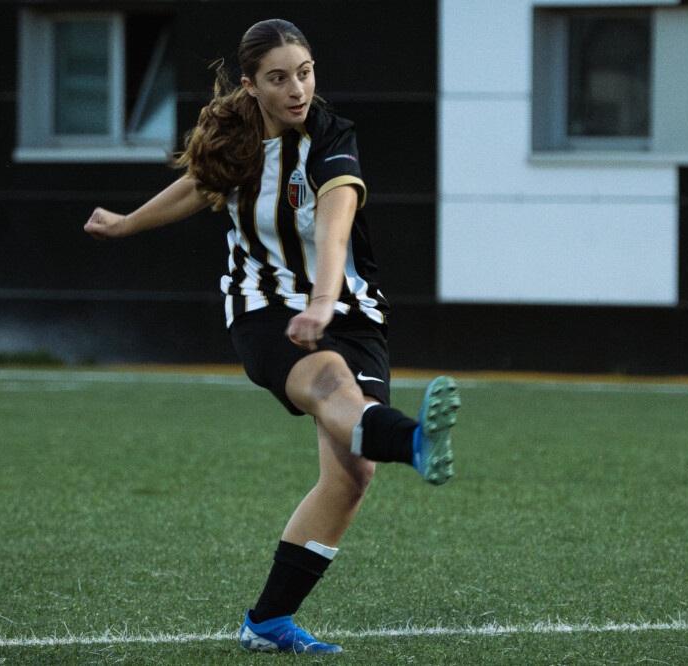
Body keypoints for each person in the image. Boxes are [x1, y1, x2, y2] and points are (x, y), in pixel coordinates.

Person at [83, 19, 461, 655]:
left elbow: (337, 222)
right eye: (279, 78)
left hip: (346, 308)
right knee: (330, 387)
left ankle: (267, 623)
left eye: (305, 73)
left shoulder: (332, 138)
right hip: (265, 311)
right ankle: (417, 440)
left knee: (351, 475)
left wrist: (323, 302)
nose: (297, 89)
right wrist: (126, 225)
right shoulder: (235, 140)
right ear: (252, 86)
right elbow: (198, 185)